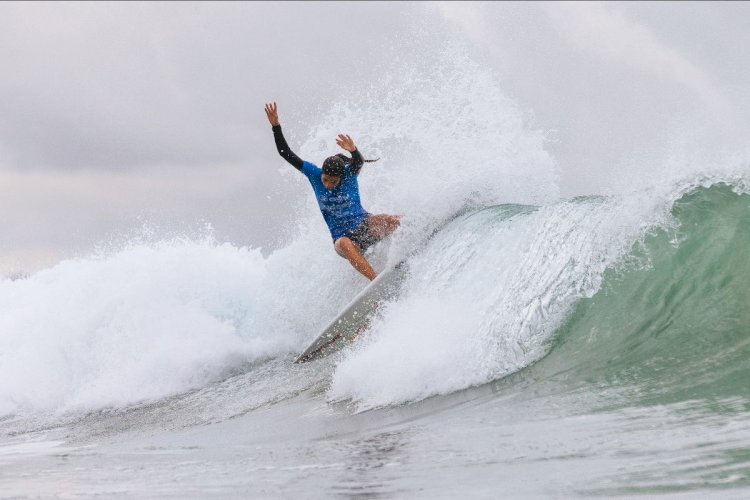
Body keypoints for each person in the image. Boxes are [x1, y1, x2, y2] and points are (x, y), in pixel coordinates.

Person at [264, 102, 400, 281]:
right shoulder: (314, 174)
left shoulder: (349, 173)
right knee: (344, 243)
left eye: (333, 182)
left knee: (392, 220)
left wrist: (353, 150)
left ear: (341, 176)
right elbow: (285, 153)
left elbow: (357, 162)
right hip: (343, 239)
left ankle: (423, 228)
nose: (327, 184)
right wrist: (276, 126)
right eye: (325, 180)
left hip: (365, 226)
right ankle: (376, 281)